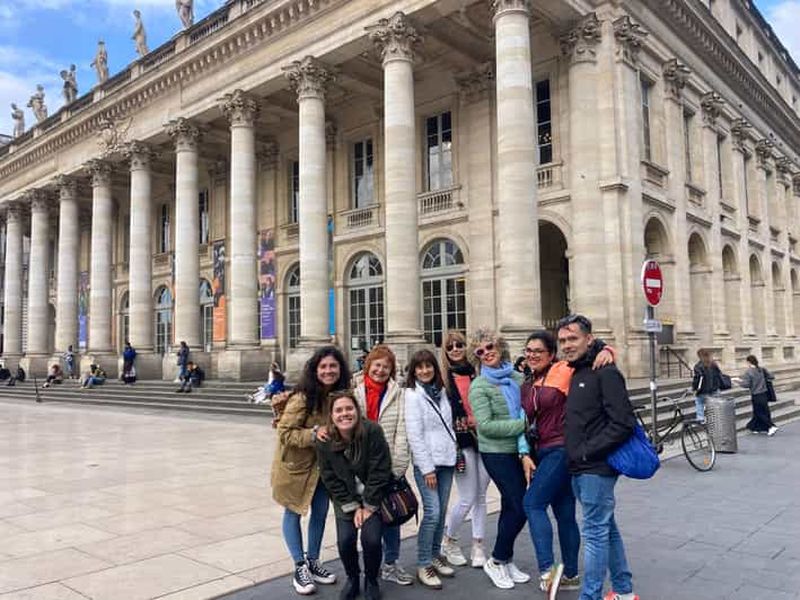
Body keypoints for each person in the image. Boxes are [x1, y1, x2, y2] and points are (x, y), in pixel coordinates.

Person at [521, 330, 615, 597]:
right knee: (563, 511)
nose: (532, 355)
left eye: (538, 351)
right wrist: (524, 453)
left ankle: (548, 571)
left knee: (532, 503)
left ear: (552, 354)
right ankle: (571, 575)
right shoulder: (527, 382)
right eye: (528, 351)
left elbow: (590, 351)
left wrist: (607, 350)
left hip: (562, 448)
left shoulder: (564, 369)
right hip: (542, 450)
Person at [557, 314, 638, 600]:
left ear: (588, 339)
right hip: (580, 465)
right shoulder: (578, 370)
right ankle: (624, 591)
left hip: (595, 467)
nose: (567, 345)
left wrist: (587, 451)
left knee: (593, 534)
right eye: (563, 340)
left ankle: (589, 596)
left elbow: (623, 423)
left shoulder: (605, 371)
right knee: (606, 528)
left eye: (573, 339)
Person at [271, 346, 351, 595]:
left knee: (319, 512)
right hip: (297, 467)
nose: (329, 371)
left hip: (323, 467)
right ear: (315, 370)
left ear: (340, 369)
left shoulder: (339, 395)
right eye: (324, 367)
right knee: (293, 512)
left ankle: (314, 561)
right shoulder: (303, 397)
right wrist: (313, 434)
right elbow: (285, 433)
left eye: (333, 366)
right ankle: (299, 566)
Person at [468, 327, 531, 590]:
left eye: (490, 347)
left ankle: (505, 559)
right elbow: (485, 426)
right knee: (520, 504)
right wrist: (522, 426)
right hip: (496, 451)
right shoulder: (479, 385)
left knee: (511, 505)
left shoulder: (516, 377)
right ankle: (496, 559)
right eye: (480, 351)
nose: (486, 354)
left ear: (500, 347)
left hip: (520, 450)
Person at [317, 391, 392, 600]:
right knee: (346, 540)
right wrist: (352, 506)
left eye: (349, 409)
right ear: (331, 416)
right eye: (338, 410)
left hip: (373, 496)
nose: (344, 414)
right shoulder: (325, 441)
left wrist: (368, 506)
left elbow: (381, 468)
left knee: (372, 540)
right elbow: (329, 477)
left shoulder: (372, 431)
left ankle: (371, 580)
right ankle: (352, 578)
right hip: (345, 499)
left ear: (357, 411)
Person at [353, 344, 413, 586]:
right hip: (360, 467)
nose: (380, 370)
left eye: (385, 367)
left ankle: (390, 563)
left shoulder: (398, 393)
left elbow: (402, 432)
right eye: (377, 365)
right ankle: (370, 567)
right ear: (368, 366)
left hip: (387, 467)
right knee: (367, 521)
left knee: (391, 517)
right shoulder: (355, 393)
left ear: (391, 370)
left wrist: (397, 468)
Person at [405, 349, 458, 589]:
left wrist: (454, 453)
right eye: (420, 367)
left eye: (428, 366)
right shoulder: (412, 396)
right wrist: (426, 469)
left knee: (442, 509)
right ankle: (423, 561)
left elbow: (448, 426)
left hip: (446, 458)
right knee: (433, 512)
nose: (425, 371)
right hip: (427, 463)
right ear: (413, 371)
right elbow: (414, 436)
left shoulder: (442, 392)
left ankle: (435, 554)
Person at [439, 330, 490, 569]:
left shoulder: (477, 370)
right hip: (461, 443)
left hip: (486, 438)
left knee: (481, 497)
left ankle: (478, 545)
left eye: (459, 344)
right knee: (468, 497)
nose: (456, 349)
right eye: (451, 346)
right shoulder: (442, 379)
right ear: (445, 351)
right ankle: (448, 539)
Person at [738, 355, 778, 436]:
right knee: (763, 411)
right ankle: (755, 427)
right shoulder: (761, 369)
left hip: (756, 394)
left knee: (759, 412)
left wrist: (738, 381)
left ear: (749, 362)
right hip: (764, 393)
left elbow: (746, 384)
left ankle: (771, 426)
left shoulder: (749, 372)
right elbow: (772, 376)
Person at [691, 348, 723, 424]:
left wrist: (695, 389)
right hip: (714, 389)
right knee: (715, 405)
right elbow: (719, 375)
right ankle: (715, 419)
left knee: (699, 403)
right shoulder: (714, 364)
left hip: (703, 390)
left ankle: (701, 418)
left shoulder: (698, 366)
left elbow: (697, 379)